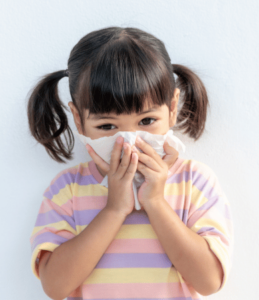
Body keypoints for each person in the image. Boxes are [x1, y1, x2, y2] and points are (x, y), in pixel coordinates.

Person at [28, 26, 234, 300]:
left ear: (172, 109)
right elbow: (54, 286)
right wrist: (114, 210)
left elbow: (209, 281)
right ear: (79, 120)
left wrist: (157, 203)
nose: (129, 140)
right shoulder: (67, 189)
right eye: (107, 125)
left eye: (147, 121)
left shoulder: (194, 181)